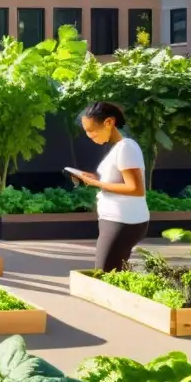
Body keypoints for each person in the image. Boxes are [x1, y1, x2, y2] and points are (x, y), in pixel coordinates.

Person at [69, 102, 150, 271]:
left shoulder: (126, 147)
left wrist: (96, 183)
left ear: (109, 122)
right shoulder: (119, 148)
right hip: (115, 219)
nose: (89, 135)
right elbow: (116, 180)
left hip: (123, 220)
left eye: (91, 130)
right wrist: (94, 178)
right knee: (115, 272)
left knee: (106, 273)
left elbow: (136, 189)